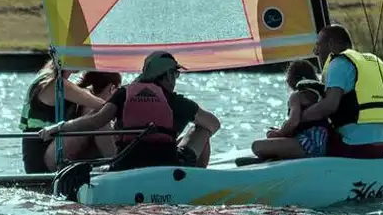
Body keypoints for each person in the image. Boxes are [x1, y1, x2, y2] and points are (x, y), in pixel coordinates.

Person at [39, 50, 221, 171]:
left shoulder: (124, 93)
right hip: (168, 165)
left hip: (127, 164)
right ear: (166, 75)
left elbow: (94, 121)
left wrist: (58, 127)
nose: (176, 79)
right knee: (202, 128)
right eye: (175, 74)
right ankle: (193, 180)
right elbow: (214, 124)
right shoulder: (178, 102)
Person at [299, 23, 383, 159]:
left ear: (331, 44)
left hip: (355, 147)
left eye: (318, 45)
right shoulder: (374, 62)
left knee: (303, 140)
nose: (315, 52)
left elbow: (329, 106)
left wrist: (298, 119)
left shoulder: (339, 63)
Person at [19, 58, 115, 173]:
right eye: (82, 54)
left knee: (91, 115)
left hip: (43, 151)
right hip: (42, 158)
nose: (87, 58)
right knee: (100, 116)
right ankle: (119, 166)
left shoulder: (47, 72)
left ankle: (108, 164)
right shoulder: (56, 84)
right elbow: (107, 108)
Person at [251, 59, 330, 161]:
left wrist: (279, 133)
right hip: (322, 144)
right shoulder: (320, 94)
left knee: (257, 146)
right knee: (271, 135)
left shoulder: (296, 96)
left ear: (292, 79)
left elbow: (293, 122)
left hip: (308, 146)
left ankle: (275, 158)